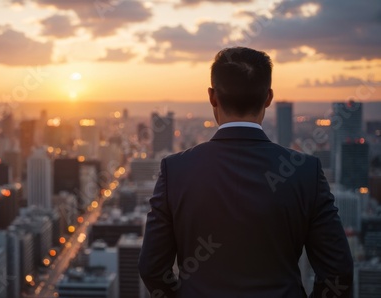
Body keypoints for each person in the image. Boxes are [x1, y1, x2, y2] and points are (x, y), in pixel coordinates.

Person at [138, 47, 353, 298]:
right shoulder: (306, 171)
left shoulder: (175, 170)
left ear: (212, 97)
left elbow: (152, 268)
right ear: (269, 97)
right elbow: (338, 271)